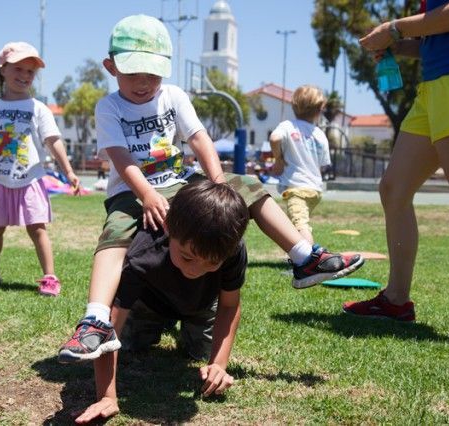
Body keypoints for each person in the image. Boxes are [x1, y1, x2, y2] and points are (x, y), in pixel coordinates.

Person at [58, 14, 364, 363]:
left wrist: (219, 183)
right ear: (111, 67)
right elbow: (119, 155)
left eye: (152, 74)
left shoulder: (172, 95)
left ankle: (304, 257)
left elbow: (199, 138)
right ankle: (95, 320)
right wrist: (146, 194)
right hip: (132, 191)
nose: (143, 83)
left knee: (248, 184)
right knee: (115, 234)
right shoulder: (109, 106)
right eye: (132, 74)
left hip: (181, 182)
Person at [343, 0, 449, 356]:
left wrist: (394, 28)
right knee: (394, 188)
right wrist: (399, 46)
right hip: (437, 86)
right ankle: (396, 301)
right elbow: (447, 33)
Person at [73, 179, 250, 423]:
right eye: (187, 257)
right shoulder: (144, 253)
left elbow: (229, 304)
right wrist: (107, 396)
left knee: (199, 352)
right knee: (131, 344)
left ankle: (186, 325)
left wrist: (218, 364)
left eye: (212, 263)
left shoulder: (230, 249)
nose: (196, 270)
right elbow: (111, 324)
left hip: (200, 306)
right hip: (150, 304)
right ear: (168, 228)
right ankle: (160, 322)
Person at [0, 41, 80, 297]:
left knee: (37, 228)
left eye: (30, 72)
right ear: (3, 69)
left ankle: (50, 278)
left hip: (30, 179)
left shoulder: (38, 108)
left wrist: (68, 171)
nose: (24, 76)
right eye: (18, 69)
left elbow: (53, 141)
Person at [269, 85, 331, 245]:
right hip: (315, 189)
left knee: (300, 227)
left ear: (294, 106)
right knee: (298, 222)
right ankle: (300, 258)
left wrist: (279, 160)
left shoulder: (288, 126)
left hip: (297, 189)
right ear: (320, 109)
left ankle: (307, 262)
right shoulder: (320, 135)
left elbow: (274, 139)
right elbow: (323, 165)